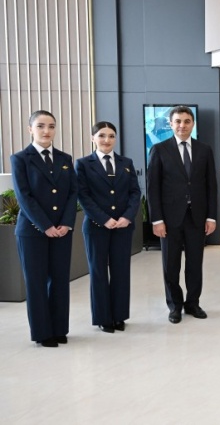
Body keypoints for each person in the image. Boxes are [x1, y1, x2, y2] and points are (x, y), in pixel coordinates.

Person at [11, 110, 78, 347]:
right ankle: (42, 333)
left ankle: (59, 329)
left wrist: (66, 223)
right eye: (40, 126)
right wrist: (46, 226)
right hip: (32, 231)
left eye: (51, 126)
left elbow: (72, 193)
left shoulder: (65, 158)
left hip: (62, 230)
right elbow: (24, 197)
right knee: (36, 282)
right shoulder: (20, 159)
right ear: (30, 129)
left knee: (60, 280)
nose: (46, 131)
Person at [147, 106, 217, 324]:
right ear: (171, 124)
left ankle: (193, 303)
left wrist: (211, 216)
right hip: (169, 219)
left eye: (187, 121)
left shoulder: (204, 150)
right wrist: (157, 219)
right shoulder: (159, 150)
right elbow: (152, 187)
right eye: (178, 121)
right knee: (171, 265)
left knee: (195, 264)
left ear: (192, 124)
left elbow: (211, 185)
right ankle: (174, 306)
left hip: (197, 217)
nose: (182, 125)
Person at [76, 121, 141, 333]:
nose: (107, 140)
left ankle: (119, 316)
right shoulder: (83, 164)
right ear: (93, 138)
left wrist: (127, 217)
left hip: (123, 226)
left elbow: (135, 192)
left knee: (121, 271)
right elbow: (83, 195)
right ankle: (103, 317)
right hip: (96, 227)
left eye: (111, 136)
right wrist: (103, 219)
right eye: (102, 135)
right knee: (98, 272)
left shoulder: (126, 162)